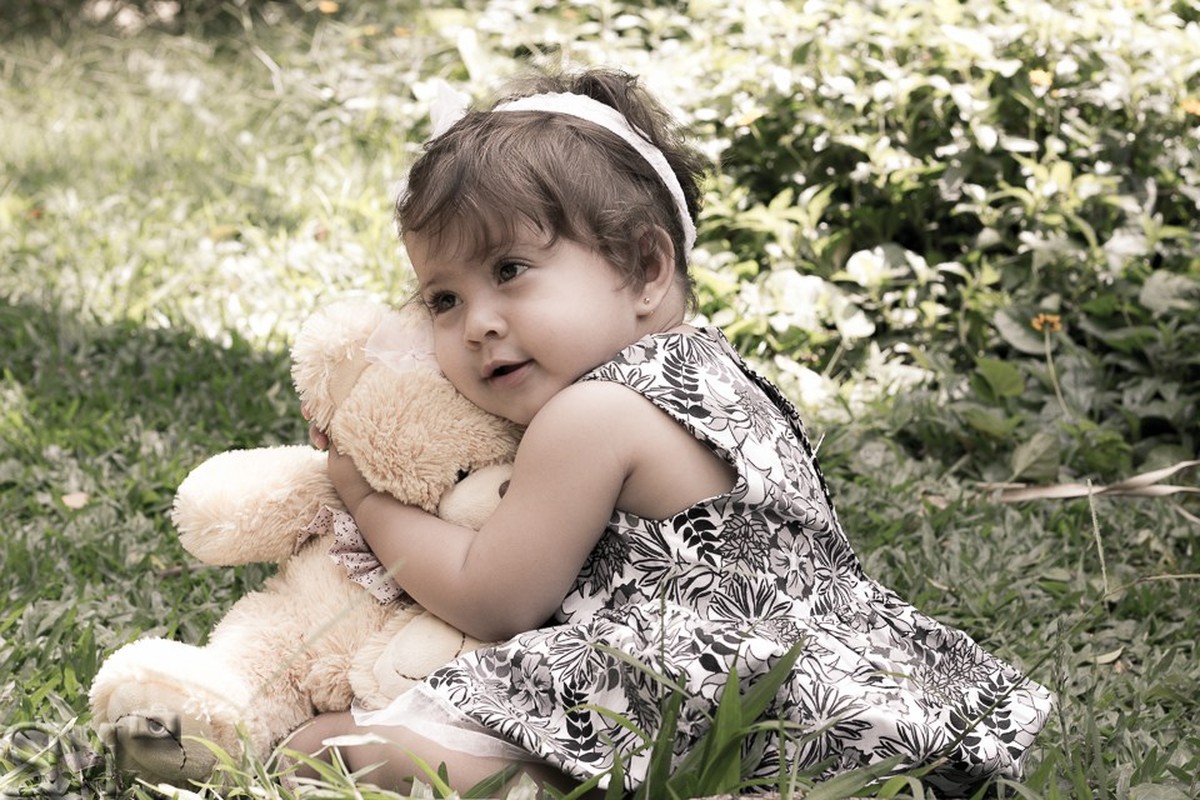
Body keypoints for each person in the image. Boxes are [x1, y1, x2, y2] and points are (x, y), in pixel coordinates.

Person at [287, 67, 1052, 797]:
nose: (479, 324)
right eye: (444, 300)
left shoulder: (591, 416)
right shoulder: (711, 371)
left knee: (320, 748)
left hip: (698, 692)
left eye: (511, 270)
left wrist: (361, 494)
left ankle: (532, 788)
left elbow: (492, 598)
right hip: (833, 693)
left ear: (647, 267)